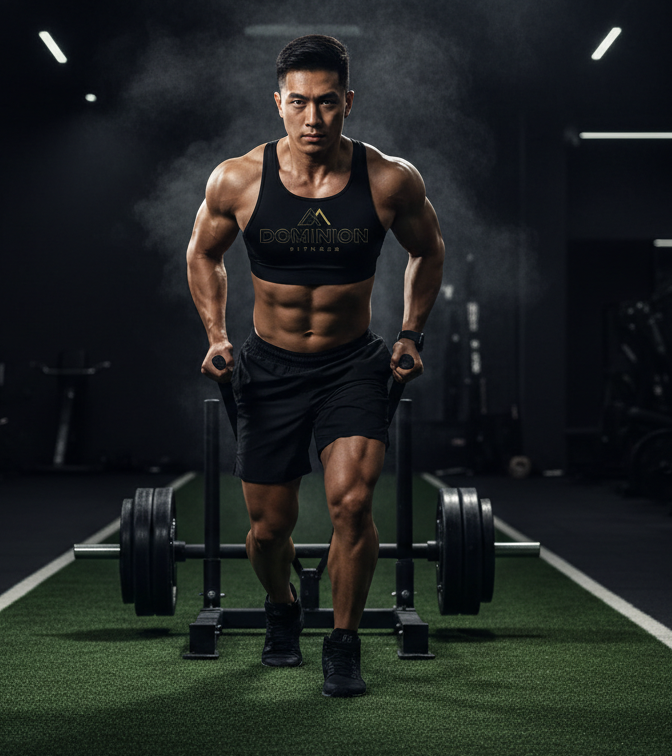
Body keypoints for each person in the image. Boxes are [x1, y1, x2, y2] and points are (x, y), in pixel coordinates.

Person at [185, 34, 446, 697]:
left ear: (347, 102)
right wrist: (216, 335)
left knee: (352, 505)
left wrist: (410, 333)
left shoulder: (389, 179)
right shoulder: (237, 179)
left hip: (351, 366)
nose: (312, 118)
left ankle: (343, 643)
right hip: (268, 368)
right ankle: (282, 608)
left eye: (326, 102)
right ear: (277, 103)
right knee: (268, 528)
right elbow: (202, 254)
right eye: (298, 102)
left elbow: (429, 249)